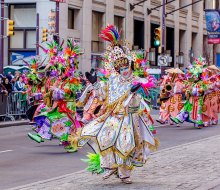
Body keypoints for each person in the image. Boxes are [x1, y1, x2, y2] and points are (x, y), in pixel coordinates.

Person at [79, 25, 159, 184]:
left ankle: (124, 174)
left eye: (126, 67)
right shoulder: (113, 81)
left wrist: (137, 91)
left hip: (130, 119)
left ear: (130, 67)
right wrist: (95, 84)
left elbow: (143, 98)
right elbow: (103, 95)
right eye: (120, 68)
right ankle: (109, 167)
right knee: (103, 138)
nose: (124, 71)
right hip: (113, 117)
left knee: (127, 144)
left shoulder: (137, 81)